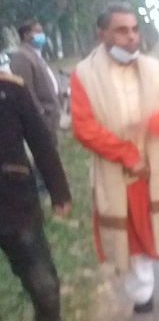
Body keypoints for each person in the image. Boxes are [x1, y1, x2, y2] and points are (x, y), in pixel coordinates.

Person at [70, 3, 159, 321]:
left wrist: (153, 124)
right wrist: (127, 155)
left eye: (135, 29)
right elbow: (83, 127)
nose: (132, 37)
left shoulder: (153, 68)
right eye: (122, 31)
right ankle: (143, 296)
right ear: (102, 34)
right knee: (132, 247)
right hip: (116, 177)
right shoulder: (84, 75)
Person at [0, 69, 72, 321]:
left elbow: (40, 141)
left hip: (15, 204)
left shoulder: (11, 89)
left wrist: (59, 190)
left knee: (46, 290)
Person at [10, 20, 61, 144]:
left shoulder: (35, 54)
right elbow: (26, 91)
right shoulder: (22, 56)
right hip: (40, 120)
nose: (42, 35)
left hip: (48, 118)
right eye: (38, 31)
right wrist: (41, 114)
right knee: (45, 154)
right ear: (26, 35)